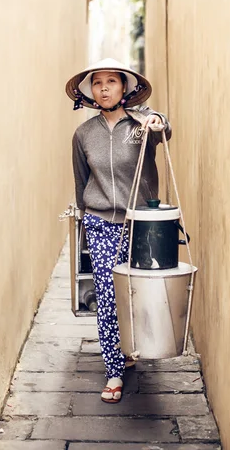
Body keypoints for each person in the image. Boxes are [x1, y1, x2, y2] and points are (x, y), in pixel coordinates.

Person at [65, 58, 171, 403]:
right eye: (97, 83)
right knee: (108, 296)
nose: (104, 88)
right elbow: (82, 181)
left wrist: (157, 119)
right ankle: (114, 368)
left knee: (139, 291)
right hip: (100, 222)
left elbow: (164, 131)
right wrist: (85, 216)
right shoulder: (83, 134)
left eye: (112, 81)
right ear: (90, 91)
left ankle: (133, 346)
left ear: (125, 88)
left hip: (141, 222)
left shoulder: (141, 124)